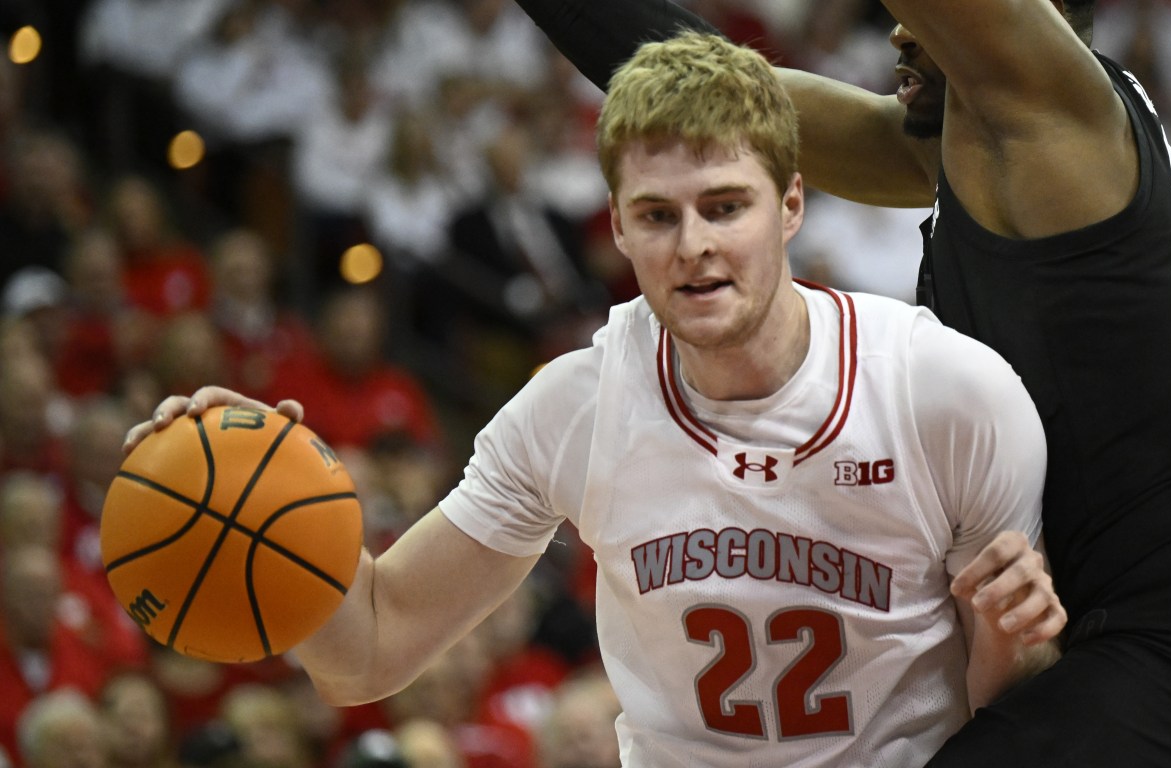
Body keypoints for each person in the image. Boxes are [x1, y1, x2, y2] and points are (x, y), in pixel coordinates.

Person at [126, 33, 1064, 767]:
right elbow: (370, 649)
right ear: (615, 223)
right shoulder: (576, 405)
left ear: (791, 206)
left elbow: (1016, 713)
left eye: (725, 206)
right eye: (657, 215)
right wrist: (261, 505)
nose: (692, 244)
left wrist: (1018, 650)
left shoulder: (948, 393)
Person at [510, 0, 1171, 764]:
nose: (897, 31)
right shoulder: (971, 155)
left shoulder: (1053, 115)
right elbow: (723, 100)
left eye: (926, 24)